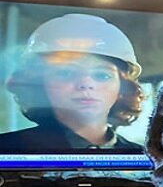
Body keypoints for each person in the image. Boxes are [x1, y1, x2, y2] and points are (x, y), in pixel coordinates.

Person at [0, 14, 145, 154]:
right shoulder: (6, 147)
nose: (86, 84)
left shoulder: (148, 157)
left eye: (102, 75)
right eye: (66, 73)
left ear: (122, 88)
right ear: (40, 84)